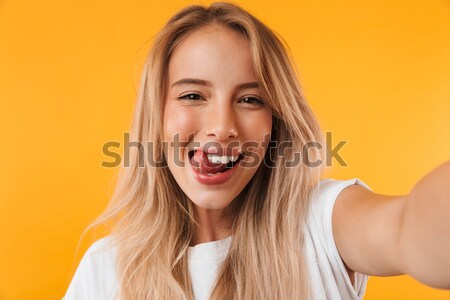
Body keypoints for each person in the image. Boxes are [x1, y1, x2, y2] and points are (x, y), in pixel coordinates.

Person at [63, 2, 450, 299]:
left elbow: (408, 230)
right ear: (157, 117)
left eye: (250, 99)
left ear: (275, 124)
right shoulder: (106, 268)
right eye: (193, 95)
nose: (222, 127)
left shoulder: (323, 225)